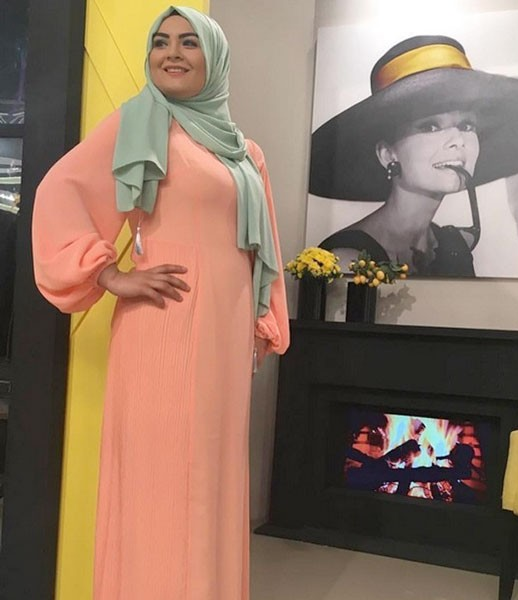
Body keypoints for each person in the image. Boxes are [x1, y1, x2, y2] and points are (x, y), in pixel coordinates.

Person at [31, 7, 289, 600]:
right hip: (161, 330)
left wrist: (260, 320)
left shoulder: (245, 153)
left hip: (224, 343)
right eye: (161, 42)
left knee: (211, 481)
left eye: (189, 42)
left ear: (214, 57)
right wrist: (108, 274)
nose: (171, 53)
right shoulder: (140, 123)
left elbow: (264, 249)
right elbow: (59, 193)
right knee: (160, 482)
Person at [310, 35, 518, 277]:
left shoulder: (452, 247)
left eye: (467, 125)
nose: (458, 140)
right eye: (430, 126)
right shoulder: (346, 260)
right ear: (388, 153)